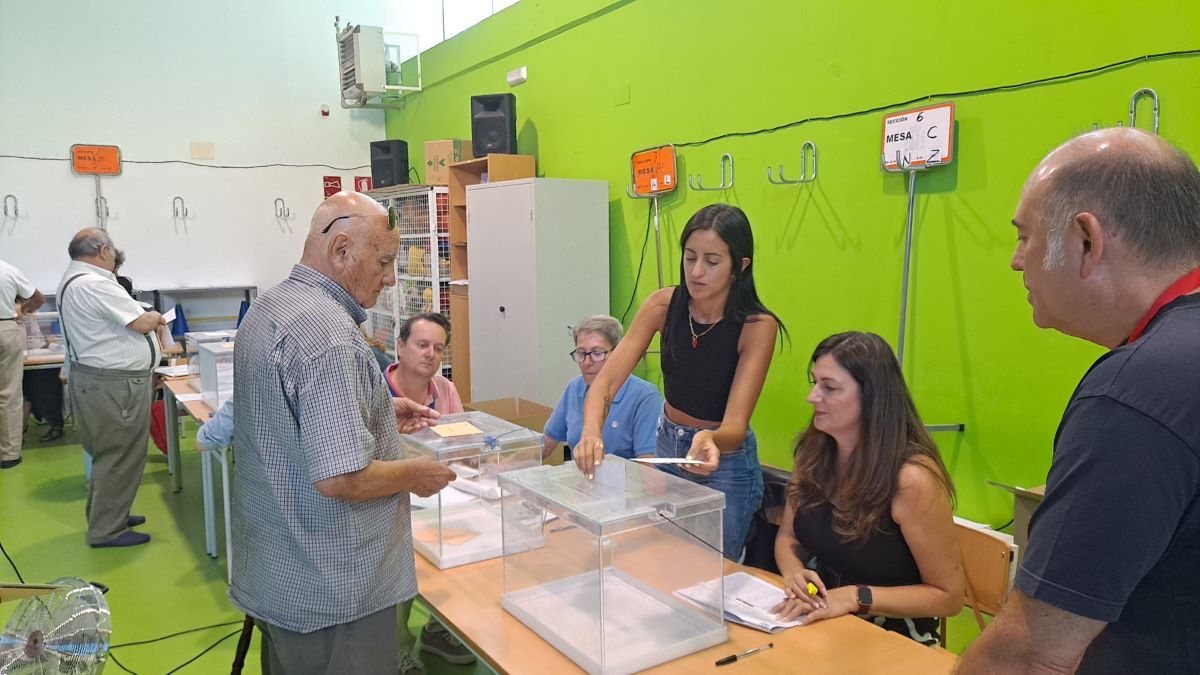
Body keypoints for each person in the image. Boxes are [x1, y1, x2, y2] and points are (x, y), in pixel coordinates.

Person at [959, 129, 1200, 673]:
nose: (1017, 262)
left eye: (1025, 237)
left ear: (1086, 240)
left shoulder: (1138, 393)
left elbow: (1032, 653)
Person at [229, 191, 457, 674]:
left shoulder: (270, 307)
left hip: (280, 572)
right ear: (341, 251)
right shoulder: (330, 335)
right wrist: (416, 472)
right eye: (383, 262)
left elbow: (286, 424)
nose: (392, 278)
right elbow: (340, 480)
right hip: (336, 592)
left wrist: (374, 409)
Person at [574, 203, 785, 560]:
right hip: (668, 447)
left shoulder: (756, 326)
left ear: (740, 266)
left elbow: (735, 424)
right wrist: (591, 432)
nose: (697, 272)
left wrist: (712, 439)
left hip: (724, 461)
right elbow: (605, 384)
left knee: (710, 574)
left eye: (712, 261)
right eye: (690, 258)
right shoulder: (662, 305)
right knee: (666, 561)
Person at [771, 332, 962, 645]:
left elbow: (949, 597)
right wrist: (793, 573)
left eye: (829, 388)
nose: (812, 397)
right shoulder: (813, 452)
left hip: (893, 635)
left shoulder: (912, 480)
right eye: (814, 383)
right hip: (820, 621)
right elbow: (788, 537)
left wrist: (854, 597)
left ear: (871, 397)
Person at [56, 229, 162, 545]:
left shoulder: (73, 280)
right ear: (104, 251)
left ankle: (111, 513)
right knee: (120, 454)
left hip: (100, 381)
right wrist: (154, 315)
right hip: (114, 386)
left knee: (111, 454)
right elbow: (140, 323)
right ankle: (107, 530)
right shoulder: (95, 284)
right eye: (113, 250)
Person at [384, 312, 475, 671]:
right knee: (399, 563)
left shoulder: (446, 390)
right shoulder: (375, 390)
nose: (430, 355)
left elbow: (463, 445)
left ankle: (438, 630)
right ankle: (396, 647)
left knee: (466, 547)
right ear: (401, 346)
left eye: (439, 349)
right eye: (422, 345)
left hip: (442, 494)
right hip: (391, 495)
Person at [543, 315, 662, 461]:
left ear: (619, 354)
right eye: (581, 353)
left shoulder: (645, 397)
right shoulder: (575, 388)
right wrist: (510, 462)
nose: (587, 362)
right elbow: (547, 444)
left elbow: (648, 465)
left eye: (597, 353)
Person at [1, 257, 43, 469]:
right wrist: (22, 310)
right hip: (5, 329)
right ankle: (9, 455)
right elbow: (37, 299)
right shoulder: (7, 270)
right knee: (9, 394)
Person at [18, 308, 64, 442]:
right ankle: (20, 430)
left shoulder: (27, 312)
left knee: (37, 387)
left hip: (32, 356)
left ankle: (54, 425)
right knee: (25, 392)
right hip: (22, 356)